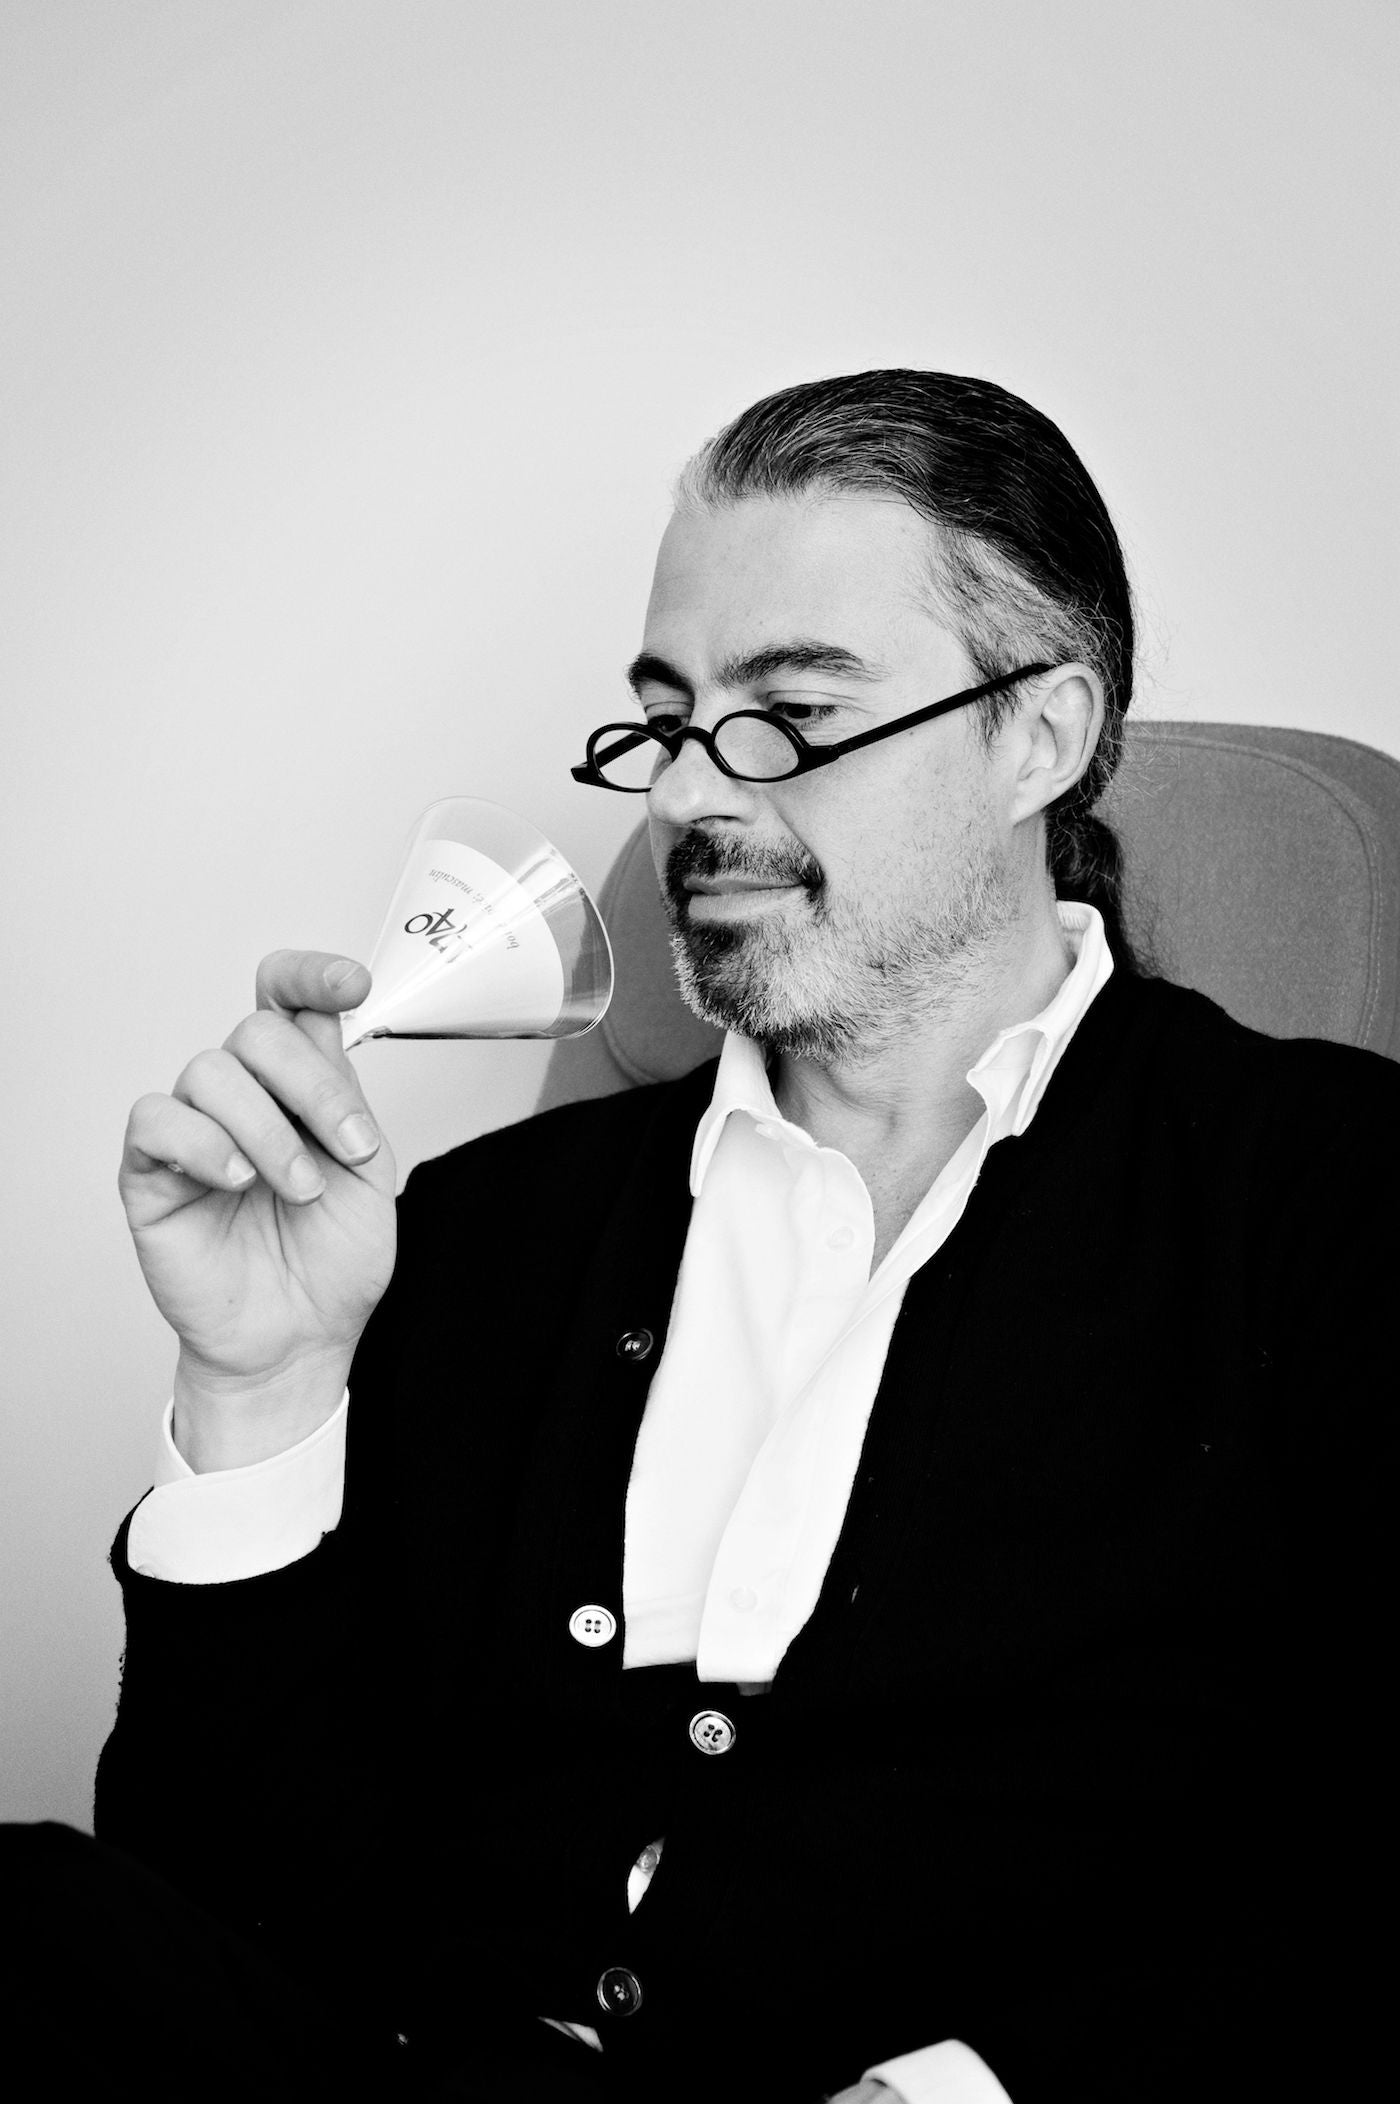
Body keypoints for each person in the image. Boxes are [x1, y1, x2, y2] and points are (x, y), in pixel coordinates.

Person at [17, 371, 1396, 2100]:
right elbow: (225, 1910)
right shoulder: (486, 1235)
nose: (682, 799)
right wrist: (261, 1392)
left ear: (1039, 735)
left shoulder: (1333, 1196)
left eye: (791, 714)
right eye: (667, 721)